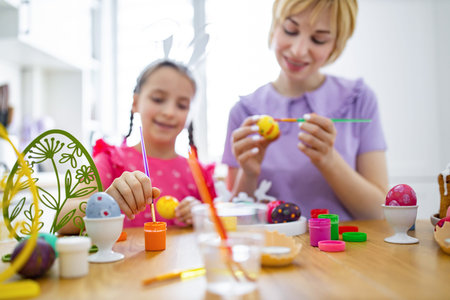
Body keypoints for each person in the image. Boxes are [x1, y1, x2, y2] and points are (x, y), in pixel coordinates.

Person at [222, 0, 388, 221]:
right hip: (271, 248)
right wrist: (249, 174)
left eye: (318, 39)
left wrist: (329, 160)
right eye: (290, 30)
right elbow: (235, 220)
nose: (298, 50)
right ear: (275, 26)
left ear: (336, 45)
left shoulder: (359, 100)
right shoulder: (243, 112)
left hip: (343, 250)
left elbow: (378, 213)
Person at [59, 60, 215, 234]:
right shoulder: (110, 161)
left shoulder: (198, 174)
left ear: (190, 115)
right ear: (135, 103)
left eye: (182, 105)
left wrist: (201, 215)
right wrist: (108, 201)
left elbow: (220, 225)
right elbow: (62, 220)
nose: (169, 112)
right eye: (158, 99)